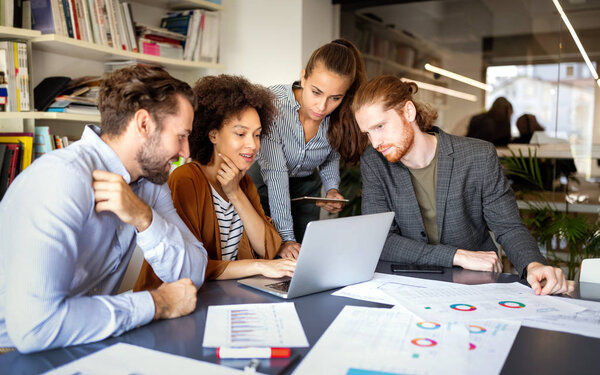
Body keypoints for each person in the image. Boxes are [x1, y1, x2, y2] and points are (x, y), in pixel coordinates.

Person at [0, 65, 208, 353]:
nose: (186, 153)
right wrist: (158, 302)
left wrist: (145, 219)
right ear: (144, 124)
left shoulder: (150, 184)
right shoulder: (62, 179)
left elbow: (194, 272)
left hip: (83, 342)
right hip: (13, 354)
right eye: (181, 136)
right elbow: (35, 327)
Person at [352, 75, 572, 295]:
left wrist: (534, 265)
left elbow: (509, 227)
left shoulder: (478, 156)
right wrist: (458, 255)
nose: (375, 142)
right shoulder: (374, 162)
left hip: (475, 286)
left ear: (408, 112)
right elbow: (381, 240)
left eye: (380, 126)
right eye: (368, 133)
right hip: (410, 285)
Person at [134, 75, 295, 288]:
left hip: (226, 294)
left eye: (257, 135)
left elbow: (267, 248)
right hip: (179, 298)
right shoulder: (186, 180)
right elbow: (188, 266)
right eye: (241, 133)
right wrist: (259, 266)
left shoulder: (244, 183)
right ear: (213, 135)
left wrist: (235, 193)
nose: (253, 145)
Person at [247, 39, 367, 259]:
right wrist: (285, 238)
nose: (322, 107)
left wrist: (332, 189)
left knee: (301, 259)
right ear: (303, 77)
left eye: (335, 98)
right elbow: (276, 175)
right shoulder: (273, 105)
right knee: (265, 255)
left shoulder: (338, 116)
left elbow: (331, 155)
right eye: (316, 92)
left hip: (306, 191)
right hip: (263, 186)